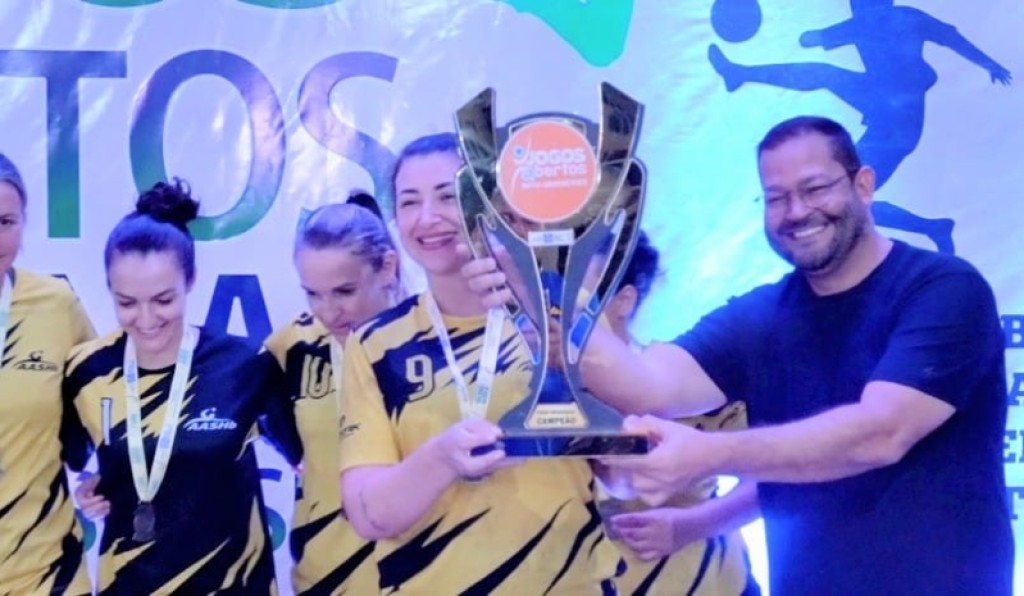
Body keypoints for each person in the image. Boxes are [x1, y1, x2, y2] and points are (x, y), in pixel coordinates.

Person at [465, 115, 1013, 594]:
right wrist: (539, 282)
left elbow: (881, 433)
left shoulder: (943, 290)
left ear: (863, 185)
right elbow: (649, 386)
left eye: (815, 188)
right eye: (776, 197)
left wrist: (709, 455)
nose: (796, 211)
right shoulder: (762, 314)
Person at [338, 133, 620, 594]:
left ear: (492, 205)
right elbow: (369, 515)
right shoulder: (375, 344)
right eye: (409, 202)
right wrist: (442, 457)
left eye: (448, 196)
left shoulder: (567, 311)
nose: (427, 218)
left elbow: (624, 476)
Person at [62, 179, 277, 594]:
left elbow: (312, 457)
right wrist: (90, 487)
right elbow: (69, 463)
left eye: (164, 300)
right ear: (109, 289)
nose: (146, 319)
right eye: (126, 302)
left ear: (190, 280)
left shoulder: (244, 364)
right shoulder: (86, 370)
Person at [589, 231, 760, 596]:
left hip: (712, 583)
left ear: (624, 300)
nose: (554, 313)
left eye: (574, 298)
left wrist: (696, 524)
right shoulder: (531, 396)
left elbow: (786, 473)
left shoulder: (688, 378)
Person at [259, 192, 400, 595]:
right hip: (324, 576)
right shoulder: (292, 346)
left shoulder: (429, 338)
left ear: (387, 267)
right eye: (313, 293)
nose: (327, 311)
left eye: (344, 291)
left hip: (419, 572)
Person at [0, 154, 94, 594]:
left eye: (6, 222)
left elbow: (109, 394)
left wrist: (111, 476)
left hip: (48, 571)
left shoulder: (56, 302)